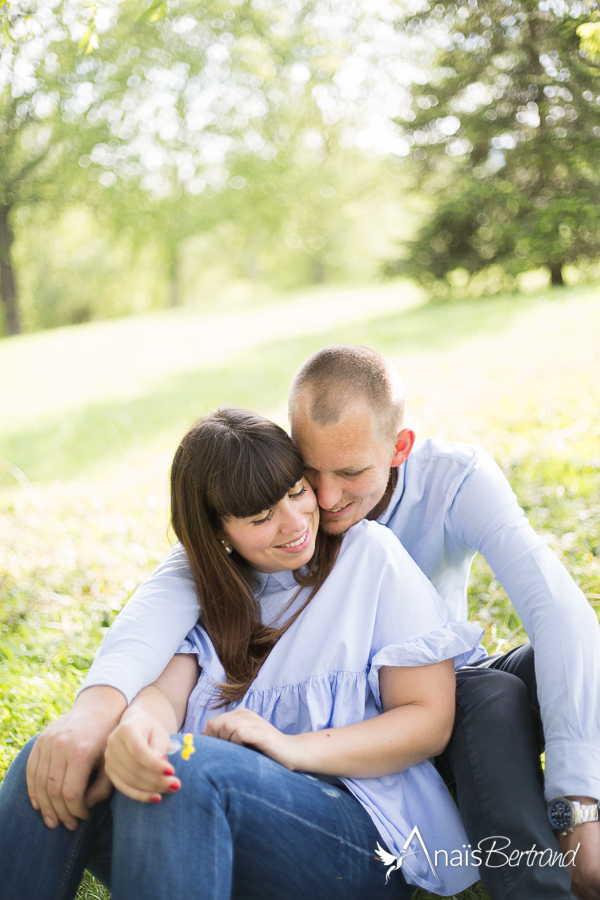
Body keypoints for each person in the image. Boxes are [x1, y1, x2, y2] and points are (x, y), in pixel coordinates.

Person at [22, 346, 600, 899]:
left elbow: (555, 610)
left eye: (348, 473)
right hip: (338, 748)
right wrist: (105, 711)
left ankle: (551, 873)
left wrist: (577, 803)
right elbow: (169, 600)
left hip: (434, 697)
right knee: (51, 762)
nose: (320, 501)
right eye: (306, 474)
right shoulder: (264, 532)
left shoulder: (445, 489)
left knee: (501, 688)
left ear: (399, 448)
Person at [0, 408, 485, 898]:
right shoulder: (207, 594)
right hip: (207, 829)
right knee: (43, 765)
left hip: (356, 834)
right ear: (218, 533)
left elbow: (428, 721)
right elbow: (164, 699)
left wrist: (293, 748)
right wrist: (135, 730)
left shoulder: (369, 558)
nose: (295, 522)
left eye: (297, 491)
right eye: (261, 517)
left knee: (183, 770)